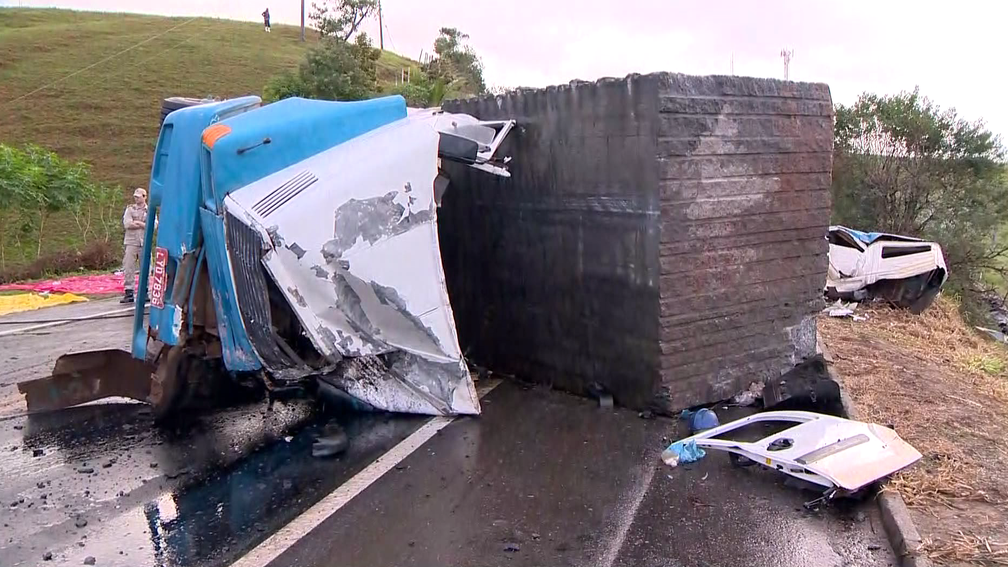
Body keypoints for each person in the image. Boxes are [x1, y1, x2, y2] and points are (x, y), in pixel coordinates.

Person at [120, 188, 149, 304]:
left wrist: (139, 223)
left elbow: (154, 225)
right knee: (128, 266)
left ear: (144, 196)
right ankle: (129, 291)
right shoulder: (130, 209)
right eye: (135, 197)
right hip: (131, 241)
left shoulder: (149, 209)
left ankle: (145, 291)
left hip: (144, 242)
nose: (136, 199)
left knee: (146, 267)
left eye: (138, 196)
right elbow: (127, 224)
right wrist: (143, 225)